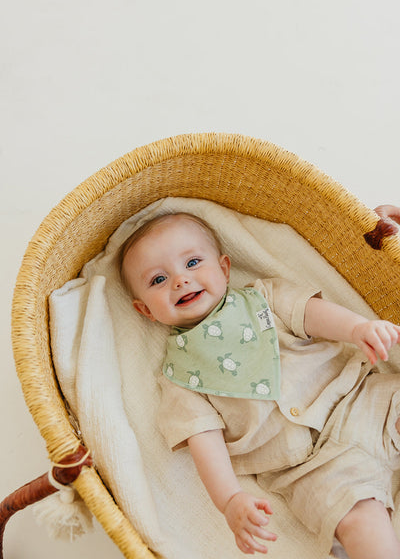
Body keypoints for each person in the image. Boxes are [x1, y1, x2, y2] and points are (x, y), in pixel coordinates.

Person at [119, 212, 400, 559]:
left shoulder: (264, 297)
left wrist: (359, 329)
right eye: (159, 279)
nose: (180, 280)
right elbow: (205, 442)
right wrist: (230, 500)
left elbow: (314, 315)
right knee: (359, 523)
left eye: (192, 262)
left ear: (224, 268)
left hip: (361, 400)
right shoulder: (178, 377)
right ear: (145, 310)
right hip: (311, 469)